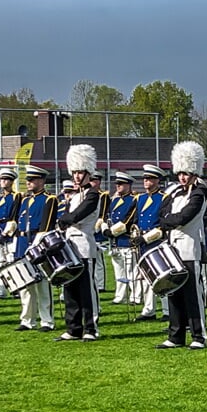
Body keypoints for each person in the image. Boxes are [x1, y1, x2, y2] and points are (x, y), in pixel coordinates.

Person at [153, 143, 207, 349]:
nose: (182, 177)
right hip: (172, 249)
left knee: (192, 295)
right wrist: (169, 220)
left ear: (194, 172)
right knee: (173, 293)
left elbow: (184, 217)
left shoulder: (200, 192)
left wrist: (169, 220)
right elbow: (162, 215)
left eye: (186, 173)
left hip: (189, 249)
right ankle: (175, 335)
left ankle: (199, 335)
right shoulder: (176, 193)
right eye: (180, 173)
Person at [55, 145, 106, 341]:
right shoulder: (75, 195)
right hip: (70, 245)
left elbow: (78, 215)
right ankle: (73, 327)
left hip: (84, 244)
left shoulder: (93, 194)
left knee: (86, 289)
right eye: (74, 172)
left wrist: (66, 219)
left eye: (80, 172)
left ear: (88, 172)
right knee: (70, 288)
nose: (76, 176)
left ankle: (91, 328)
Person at [13, 165, 57, 331]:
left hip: (39, 243)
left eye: (32, 180)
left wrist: (36, 245)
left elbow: (46, 225)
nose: (29, 183)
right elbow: (19, 224)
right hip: (23, 241)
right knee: (26, 285)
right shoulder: (25, 200)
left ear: (41, 181)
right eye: (28, 180)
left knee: (42, 285)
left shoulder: (49, 199)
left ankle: (47, 321)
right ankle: (27, 320)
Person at [134, 166, 167, 320]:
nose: (147, 181)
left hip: (157, 240)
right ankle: (149, 310)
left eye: (151, 179)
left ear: (157, 180)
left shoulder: (164, 197)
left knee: (163, 275)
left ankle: (167, 310)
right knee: (146, 277)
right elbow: (137, 220)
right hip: (143, 241)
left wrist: (147, 237)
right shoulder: (140, 198)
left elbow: (163, 223)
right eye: (145, 179)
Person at [105, 172, 139, 304]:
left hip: (126, 239)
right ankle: (120, 296)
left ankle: (135, 296)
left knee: (131, 271)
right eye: (117, 184)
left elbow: (128, 221)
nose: (118, 186)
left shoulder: (133, 200)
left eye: (121, 184)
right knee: (119, 272)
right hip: (115, 242)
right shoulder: (115, 200)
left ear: (128, 185)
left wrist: (113, 231)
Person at [0, 167, 20, 299]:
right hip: (0, 228)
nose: (3, 181)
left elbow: (14, 215)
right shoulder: (0, 197)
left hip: (10, 231)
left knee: (11, 260)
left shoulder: (16, 196)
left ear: (12, 181)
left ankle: (16, 288)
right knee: (0, 261)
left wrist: (8, 232)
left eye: (6, 179)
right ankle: (0, 290)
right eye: (2, 179)